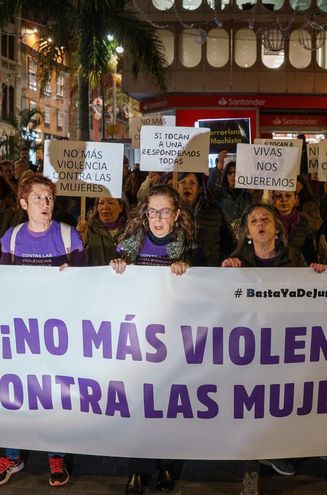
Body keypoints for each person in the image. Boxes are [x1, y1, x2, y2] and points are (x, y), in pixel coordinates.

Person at [221, 203, 326, 495]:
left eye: (265, 218)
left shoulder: (295, 260)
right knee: (251, 407)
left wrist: (316, 275)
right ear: (248, 231)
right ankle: (251, 467)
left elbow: (309, 298)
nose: (259, 223)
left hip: (282, 346)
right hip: (249, 349)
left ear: (277, 227)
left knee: (278, 402)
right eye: (253, 220)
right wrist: (224, 273)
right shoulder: (236, 262)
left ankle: (276, 450)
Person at [0, 174, 84, 487]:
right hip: (21, 332)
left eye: (49, 197)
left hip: (59, 332)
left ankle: (56, 455)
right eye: (38, 198)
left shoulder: (70, 237)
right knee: (16, 393)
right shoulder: (12, 239)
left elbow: (91, 286)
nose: (45, 203)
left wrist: (76, 276)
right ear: (24, 203)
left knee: (54, 394)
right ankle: (13, 455)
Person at [111, 185, 195, 494]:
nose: (158, 218)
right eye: (152, 211)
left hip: (175, 339)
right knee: (140, 405)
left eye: (164, 212)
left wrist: (189, 271)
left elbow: (207, 285)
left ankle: (166, 466)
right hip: (139, 338)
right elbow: (111, 282)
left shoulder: (188, 245)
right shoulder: (133, 243)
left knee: (169, 405)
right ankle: (138, 469)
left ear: (176, 214)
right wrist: (118, 269)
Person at [176, 172, 234, 266]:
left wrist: (224, 261)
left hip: (211, 269)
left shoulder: (215, 211)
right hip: (181, 270)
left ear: (200, 189)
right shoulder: (171, 213)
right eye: (183, 182)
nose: (187, 186)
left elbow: (228, 242)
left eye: (192, 183)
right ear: (178, 188)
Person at [77, 196, 130, 266]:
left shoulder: (130, 231)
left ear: (121, 207)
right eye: (101, 203)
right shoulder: (88, 231)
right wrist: (80, 241)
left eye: (110, 203)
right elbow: (78, 261)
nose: (105, 207)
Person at [270, 189, 318, 263]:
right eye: (278, 196)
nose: (284, 200)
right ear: (273, 200)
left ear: (296, 199)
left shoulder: (305, 222)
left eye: (288, 195)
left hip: (298, 269)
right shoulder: (267, 223)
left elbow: (310, 253)